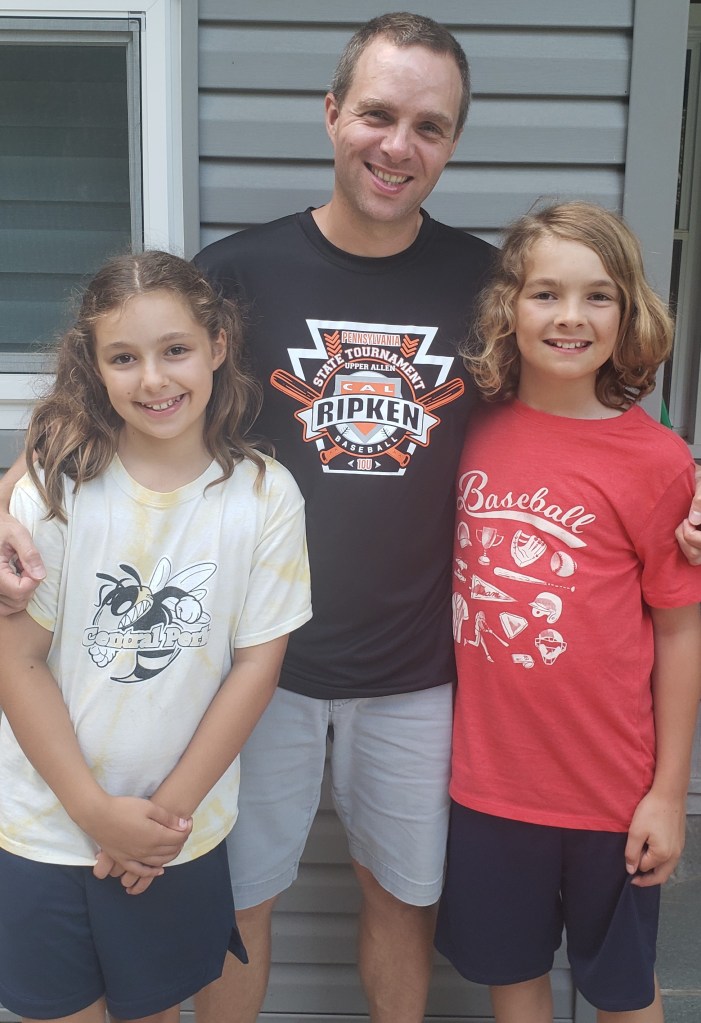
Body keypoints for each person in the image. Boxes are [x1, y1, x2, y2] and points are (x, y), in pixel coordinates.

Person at [1, 13, 701, 1023]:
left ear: (450, 143)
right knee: (241, 903)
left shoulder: (487, 288)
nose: (396, 145)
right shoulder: (237, 274)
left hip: (418, 673)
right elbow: (112, 385)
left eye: (428, 126)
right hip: (255, 667)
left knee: (400, 900)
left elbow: (577, 411)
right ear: (331, 114)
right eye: (376, 115)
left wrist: (685, 484)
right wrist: (11, 490)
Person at [0, 251, 311, 1023]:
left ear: (217, 345)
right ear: (94, 365)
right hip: (43, 827)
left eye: (175, 349)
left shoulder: (264, 496)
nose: (153, 379)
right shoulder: (54, 490)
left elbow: (256, 664)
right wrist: (93, 810)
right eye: (124, 358)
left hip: (177, 833)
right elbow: (18, 660)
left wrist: (163, 820)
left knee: (155, 1011)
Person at [434, 201, 701, 1023]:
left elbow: (679, 630)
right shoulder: (469, 431)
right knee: (511, 975)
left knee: (620, 990)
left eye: (597, 296)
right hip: (490, 784)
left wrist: (667, 793)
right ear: (508, 308)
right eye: (545, 293)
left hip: (610, 791)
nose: (569, 317)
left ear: (627, 314)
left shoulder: (656, 461)